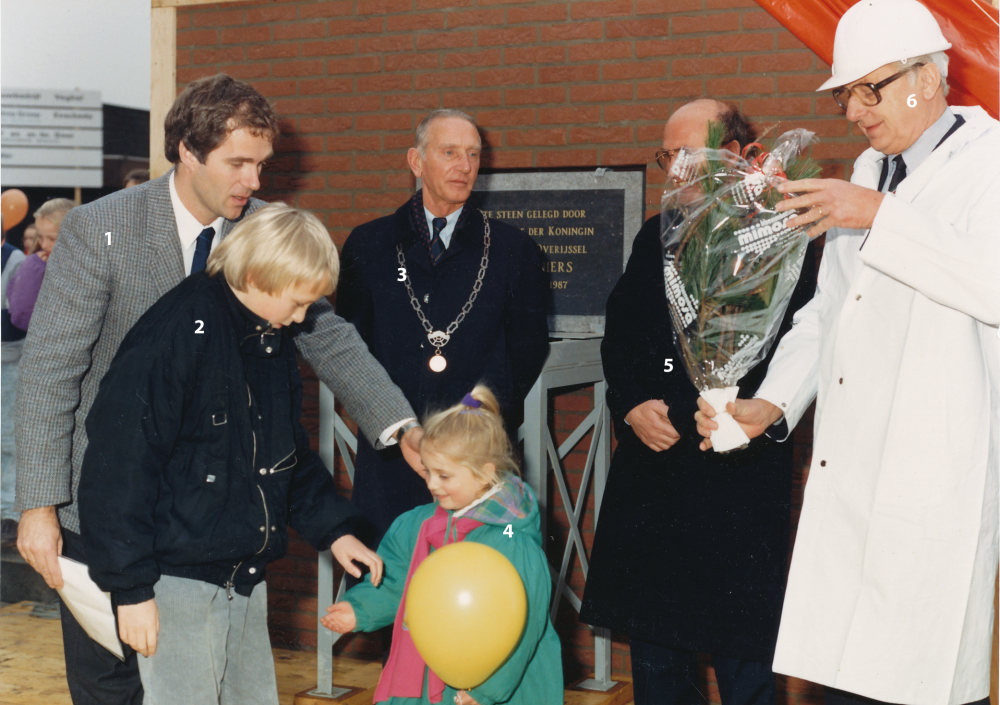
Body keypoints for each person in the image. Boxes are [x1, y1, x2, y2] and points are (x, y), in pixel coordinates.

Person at [14, 73, 422, 705]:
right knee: (114, 687)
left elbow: (328, 336)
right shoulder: (102, 230)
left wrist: (401, 425)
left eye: (261, 164)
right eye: (238, 163)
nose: (253, 183)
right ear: (186, 150)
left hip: (207, 520)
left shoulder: (267, 232)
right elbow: (50, 370)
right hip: (110, 503)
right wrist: (38, 505)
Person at [695, 2, 998, 704]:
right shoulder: (868, 169)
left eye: (872, 89)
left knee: (915, 682)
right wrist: (770, 402)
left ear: (928, 75)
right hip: (850, 479)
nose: (857, 111)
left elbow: (992, 280)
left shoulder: (991, 162)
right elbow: (829, 310)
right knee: (841, 682)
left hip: (931, 485)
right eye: (846, 96)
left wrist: (877, 215)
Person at [77, 203, 382, 705]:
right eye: (299, 302)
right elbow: (119, 464)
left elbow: (286, 453)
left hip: (242, 576)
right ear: (262, 274)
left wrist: (335, 529)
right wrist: (130, 590)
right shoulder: (178, 328)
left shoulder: (269, 333)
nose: (303, 318)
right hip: (174, 581)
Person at [579, 99, 816, 705]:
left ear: (737, 155)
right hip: (656, 471)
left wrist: (759, 409)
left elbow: (809, 345)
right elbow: (621, 336)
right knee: (658, 661)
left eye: (690, 155)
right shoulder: (650, 237)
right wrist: (630, 402)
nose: (675, 170)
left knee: (745, 662)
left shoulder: (789, 233)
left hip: (738, 470)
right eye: (667, 156)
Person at [336, 108, 549, 546]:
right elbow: (350, 352)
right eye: (450, 152)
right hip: (394, 451)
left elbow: (526, 352)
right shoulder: (369, 245)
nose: (465, 166)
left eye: (473, 155)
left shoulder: (515, 251)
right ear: (416, 162)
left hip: (476, 451)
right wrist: (394, 422)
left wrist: (472, 416)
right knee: (389, 577)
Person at [321, 385, 563, 705]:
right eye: (428, 471)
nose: (431, 484)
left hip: (503, 685)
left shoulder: (511, 539)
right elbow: (395, 582)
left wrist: (487, 689)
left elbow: (523, 626)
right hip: (428, 673)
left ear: (484, 475)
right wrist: (360, 608)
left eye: (444, 476)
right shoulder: (416, 525)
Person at [6, 199, 75, 332]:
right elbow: (20, 314)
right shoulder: (36, 264)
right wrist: (33, 267)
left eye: (51, 239)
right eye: (41, 237)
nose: (43, 245)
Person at [1, 220, 27, 541]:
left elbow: (16, 320)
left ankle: (8, 512)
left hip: (9, 361)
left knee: (7, 439)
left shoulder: (15, 261)